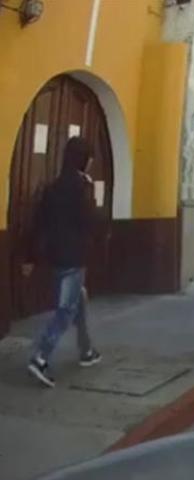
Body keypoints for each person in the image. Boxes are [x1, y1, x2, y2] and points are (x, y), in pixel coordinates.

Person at [24, 137, 102, 388]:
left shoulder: (53, 186)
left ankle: (86, 351)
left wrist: (30, 257)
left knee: (78, 298)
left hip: (56, 255)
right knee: (65, 309)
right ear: (84, 160)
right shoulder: (81, 187)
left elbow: (40, 222)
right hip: (74, 255)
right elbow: (89, 219)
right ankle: (40, 357)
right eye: (89, 158)